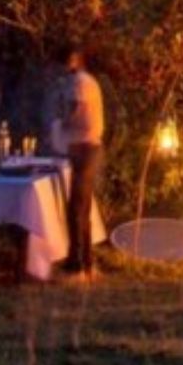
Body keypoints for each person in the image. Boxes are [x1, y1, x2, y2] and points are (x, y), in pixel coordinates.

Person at [47, 44, 106, 277]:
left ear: (77, 60)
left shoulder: (80, 82)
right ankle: (85, 260)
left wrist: (57, 125)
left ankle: (77, 262)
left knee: (77, 207)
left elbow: (73, 109)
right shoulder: (81, 81)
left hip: (85, 147)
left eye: (67, 60)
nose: (63, 66)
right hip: (85, 146)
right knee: (82, 206)